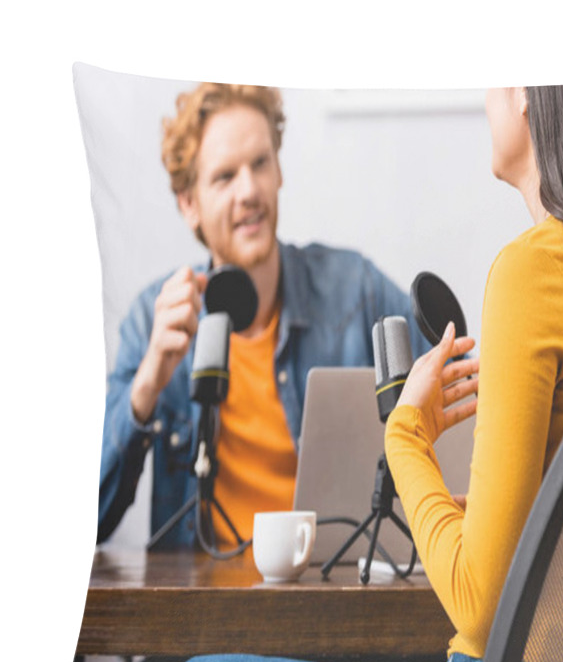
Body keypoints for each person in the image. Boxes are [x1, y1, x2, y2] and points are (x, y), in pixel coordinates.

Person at [140, 81, 563, 662]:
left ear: (526, 96)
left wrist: (406, 432)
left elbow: (477, 603)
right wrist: (528, 525)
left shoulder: (531, 272)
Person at [98, 82, 427, 549]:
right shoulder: (153, 323)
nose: (249, 190)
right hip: (202, 613)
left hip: (335, 597)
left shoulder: (356, 289)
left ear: (279, 171)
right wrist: (146, 388)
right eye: (224, 177)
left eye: (259, 164)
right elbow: (91, 519)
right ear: (188, 203)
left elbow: (458, 404)